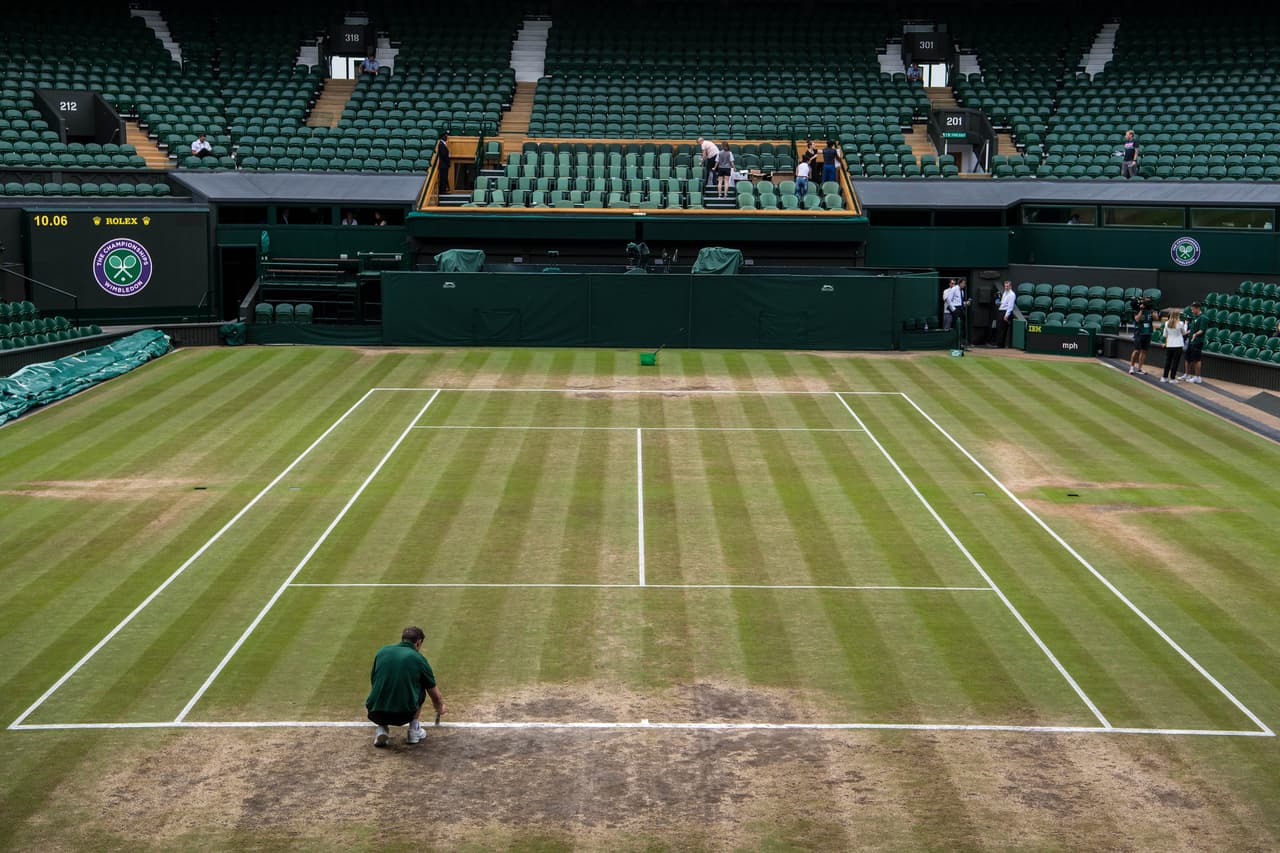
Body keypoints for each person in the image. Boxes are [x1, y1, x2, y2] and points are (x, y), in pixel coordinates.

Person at [366, 626, 446, 747]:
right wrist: (439, 706)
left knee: (381, 685)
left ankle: (382, 730)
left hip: (374, 712)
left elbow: (374, 681)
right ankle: (414, 731)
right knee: (421, 687)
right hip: (404, 715)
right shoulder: (418, 658)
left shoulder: (382, 652)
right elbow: (433, 691)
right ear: (418, 642)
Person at [1180, 302, 1206, 384]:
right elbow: (1191, 329)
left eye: (1193, 309)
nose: (1192, 311)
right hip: (1190, 341)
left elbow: (1202, 330)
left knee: (1196, 360)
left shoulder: (1203, 318)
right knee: (1187, 358)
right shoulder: (1195, 317)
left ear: (1197, 308)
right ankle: (1187, 374)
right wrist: (1185, 333)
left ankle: (1197, 377)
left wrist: (1195, 334)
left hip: (1198, 341)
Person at [1128, 297, 1156, 375]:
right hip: (1139, 332)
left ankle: (1140, 368)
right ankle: (1131, 367)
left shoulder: (1150, 310)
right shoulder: (1137, 309)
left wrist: (1152, 310)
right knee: (1136, 350)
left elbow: (1156, 317)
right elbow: (1137, 319)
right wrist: (1141, 310)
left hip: (1148, 332)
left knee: (1144, 351)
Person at [1160, 311, 1186, 384]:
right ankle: (1172, 378)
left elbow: (1165, 335)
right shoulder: (1180, 323)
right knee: (1175, 362)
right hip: (1178, 345)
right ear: (1178, 316)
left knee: (1168, 361)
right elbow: (1184, 333)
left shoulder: (1166, 323)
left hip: (1169, 345)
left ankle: (1164, 377)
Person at [993, 280, 1015, 347]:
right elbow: (1003, 302)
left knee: (1002, 329)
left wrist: (1006, 315)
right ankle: (999, 343)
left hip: (1005, 312)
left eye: (1007, 286)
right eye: (1005, 286)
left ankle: (1000, 345)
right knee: (999, 328)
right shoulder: (1005, 292)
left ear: (1010, 286)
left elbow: (1010, 306)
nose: (1006, 287)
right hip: (1001, 310)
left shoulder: (1012, 294)